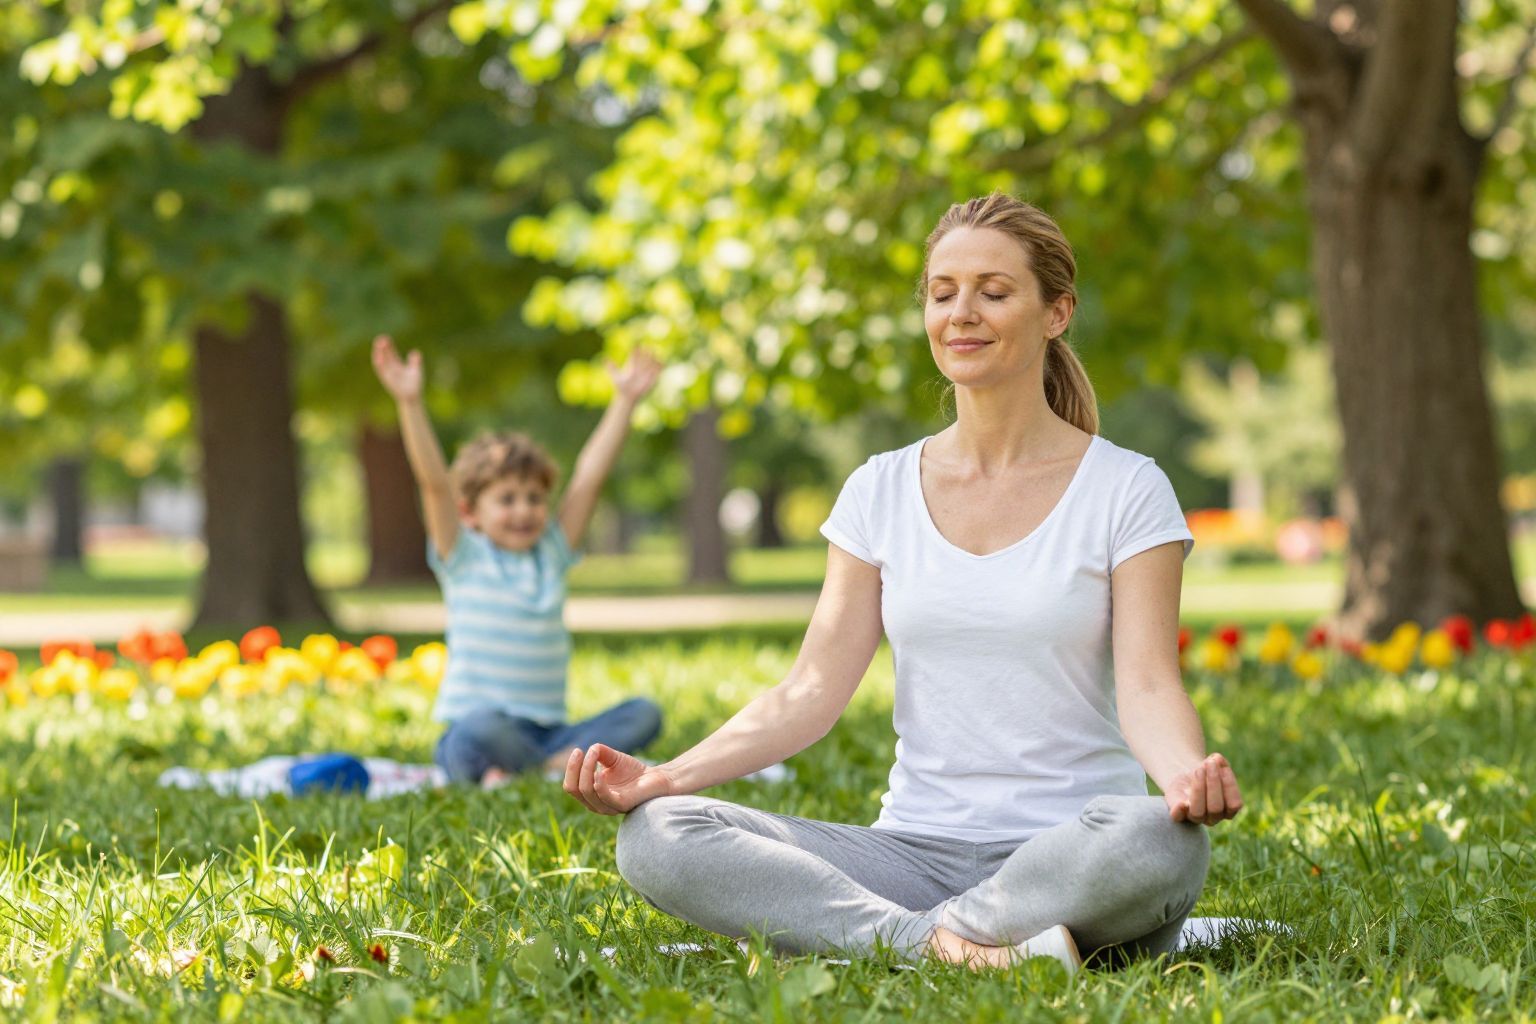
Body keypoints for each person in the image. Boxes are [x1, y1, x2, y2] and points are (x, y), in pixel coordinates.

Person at [559, 193, 1244, 972]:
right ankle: (959, 950)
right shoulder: (879, 489)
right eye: (942, 293)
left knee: (1159, 842)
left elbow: (1149, 685)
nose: (962, 313)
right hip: (909, 854)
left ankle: (865, 939)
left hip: (1068, 849)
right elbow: (809, 691)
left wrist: (1184, 778)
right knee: (658, 834)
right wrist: (664, 777)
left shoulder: (1126, 487)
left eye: (994, 292)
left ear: (1057, 313)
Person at [371, 334, 664, 786]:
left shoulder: (552, 551)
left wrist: (624, 402)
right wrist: (409, 402)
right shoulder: (462, 555)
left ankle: (535, 767)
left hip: (550, 734)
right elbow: (434, 483)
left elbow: (589, 478)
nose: (524, 510)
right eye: (506, 499)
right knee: (477, 729)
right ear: (470, 513)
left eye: (534, 498)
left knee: (644, 713)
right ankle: (539, 769)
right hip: (481, 731)